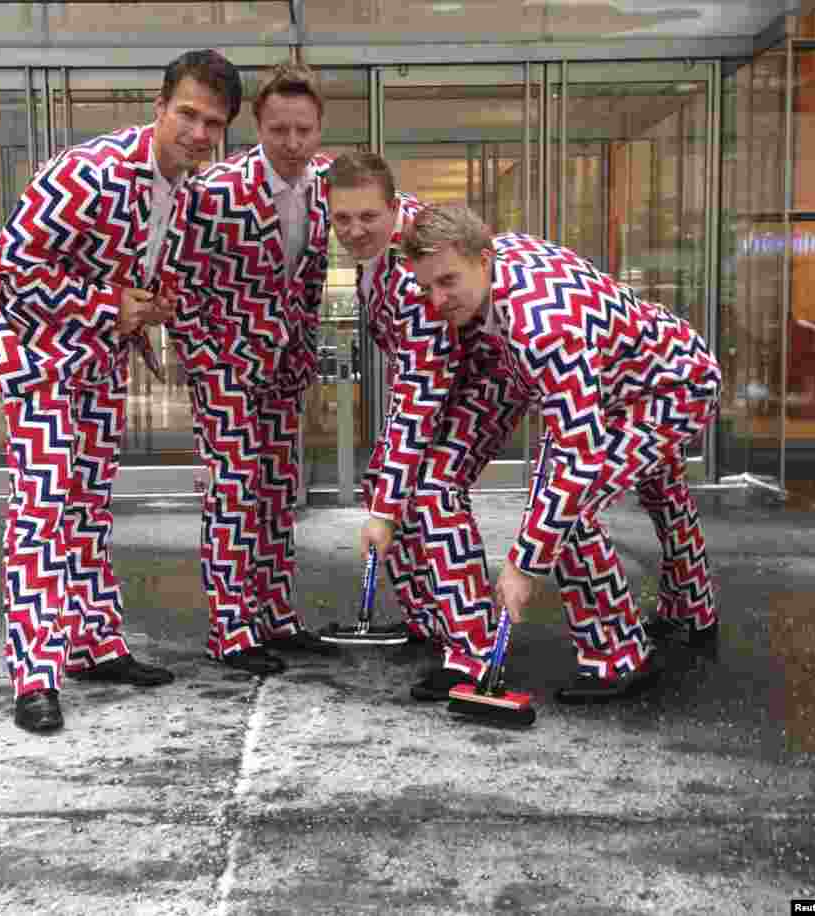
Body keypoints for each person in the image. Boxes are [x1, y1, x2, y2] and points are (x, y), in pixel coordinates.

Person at [0, 50, 243, 733]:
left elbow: (134, 269)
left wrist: (150, 309)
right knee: (43, 511)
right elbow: (11, 270)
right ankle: (34, 676)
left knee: (88, 506)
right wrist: (108, 307)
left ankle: (95, 645)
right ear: (160, 106)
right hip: (37, 358)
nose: (199, 132)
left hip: (95, 361)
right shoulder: (87, 170)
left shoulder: (180, 187)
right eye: (188, 114)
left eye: (214, 122)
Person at [400, 204, 723, 702]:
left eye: (447, 282)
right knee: (662, 492)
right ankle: (694, 610)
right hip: (616, 375)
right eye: (427, 287)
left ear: (483, 259)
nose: (437, 300)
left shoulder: (543, 324)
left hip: (673, 386)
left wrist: (522, 563)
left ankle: (619, 656)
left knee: (572, 508)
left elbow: (576, 459)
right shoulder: (490, 261)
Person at [327, 152, 527, 700]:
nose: (354, 230)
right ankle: (431, 621)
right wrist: (387, 496)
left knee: (433, 489)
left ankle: (475, 650)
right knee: (394, 483)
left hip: (488, 379)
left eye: (367, 217)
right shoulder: (376, 252)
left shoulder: (417, 268)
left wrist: (384, 510)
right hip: (441, 378)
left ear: (394, 208)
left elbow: (421, 392)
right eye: (341, 219)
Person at [162, 62, 338, 676]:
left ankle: (276, 614)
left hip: (287, 372)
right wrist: (204, 361)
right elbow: (176, 281)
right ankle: (231, 629)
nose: (292, 144)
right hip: (226, 372)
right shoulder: (215, 188)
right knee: (233, 497)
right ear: (257, 126)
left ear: (318, 130)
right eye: (279, 130)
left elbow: (309, 278)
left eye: (304, 131)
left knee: (276, 495)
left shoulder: (324, 187)